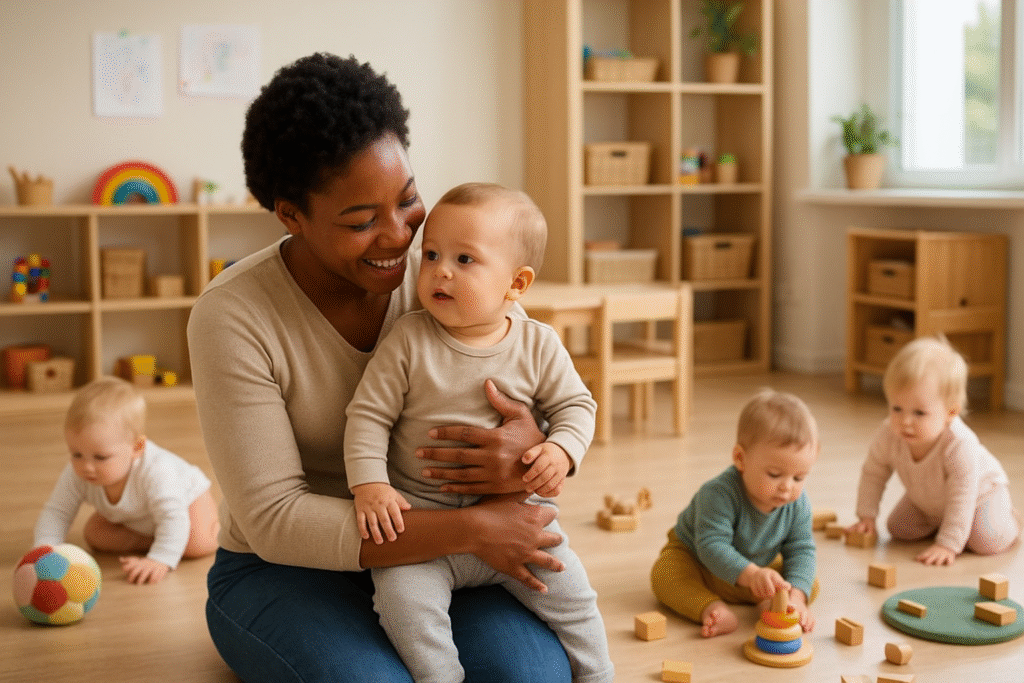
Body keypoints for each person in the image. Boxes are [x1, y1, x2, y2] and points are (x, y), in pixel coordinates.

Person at [186, 53, 575, 682]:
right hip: (288, 569)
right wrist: (471, 526)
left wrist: (530, 445)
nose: (399, 236)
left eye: (409, 200)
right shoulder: (233, 316)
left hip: (444, 559)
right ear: (291, 215)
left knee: (535, 677)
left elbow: (530, 381)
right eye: (361, 221)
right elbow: (276, 520)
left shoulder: (449, 272)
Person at [345, 182, 613, 683]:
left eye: (465, 259)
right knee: (404, 604)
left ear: (516, 284)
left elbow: (577, 404)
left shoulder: (537, 343)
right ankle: (440, 676)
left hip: (514, 521)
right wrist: (370, 484)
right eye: (431, 255)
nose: (440, 270)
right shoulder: (408, 340)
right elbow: (367, 417)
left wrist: (561, 449)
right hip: (422, 530)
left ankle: (598, 674)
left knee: (573, 594)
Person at [650, 388, 819, 638]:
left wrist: (796, 596)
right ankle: (710, 607)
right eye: (774, 474)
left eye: (799, 477)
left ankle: (773, 603)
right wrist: (752, 575)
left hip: (757, 570)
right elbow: (711, 546)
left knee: (809, 581)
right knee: (665, 574)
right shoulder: (717, 494)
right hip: (700, 563)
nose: (787, 486)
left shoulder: (798, 503)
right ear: (741, 458)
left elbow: (802, 548)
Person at [848, 336, 1020, 566]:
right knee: (899, 529)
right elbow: (873, 472)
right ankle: (950, 523)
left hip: (980, 496)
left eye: (919, 413)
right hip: (929, 499)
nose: (905, 421)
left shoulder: (959, 445)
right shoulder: (889, 433)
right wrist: (866, 516)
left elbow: (962, 496)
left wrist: (948, 543)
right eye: (896, 408)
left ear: (951, 412)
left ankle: (1011, 520)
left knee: (986, 542)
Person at [33, 376, 219, 584]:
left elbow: (172, 516)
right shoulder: (77, 472)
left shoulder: (157, 471)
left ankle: (213, 528)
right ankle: (158, 539)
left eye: (100, 457)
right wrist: (44, 550)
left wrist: (160, 559)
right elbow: (57, 511)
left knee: (197, 543)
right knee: (94, 534)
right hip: (139, 517)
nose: (86, 466)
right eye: (76, 454)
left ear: (136, 448)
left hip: (186, 501)